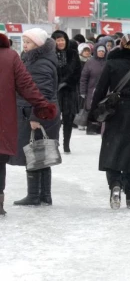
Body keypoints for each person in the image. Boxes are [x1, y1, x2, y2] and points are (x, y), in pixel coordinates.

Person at [89, 34, 130, 209]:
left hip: (116, 110)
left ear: (121, 46)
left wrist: (93, 113)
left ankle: (115, 185)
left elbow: (101, 89)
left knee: (113, 148)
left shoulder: (111, 64)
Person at [5, 29, 60, 208]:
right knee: (41, 153)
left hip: (37, 114)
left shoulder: (39, 64)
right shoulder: (38, 60)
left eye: (28, 42)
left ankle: (34, 195)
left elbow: (42, 92)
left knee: (34, 153)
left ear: (37, 44)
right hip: (41, 112)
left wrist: (36, 116)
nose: (25, 45)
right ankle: (45, 195)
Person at [51, 30, 81, 154]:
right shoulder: (50, 54)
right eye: (58, 40)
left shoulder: (73, 53)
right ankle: (55, 144)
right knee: (55, 119)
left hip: (69, 90)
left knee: (69, 118)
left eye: (62, 39)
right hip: (55, 90)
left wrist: (67, 83)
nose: (60, 42)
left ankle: (66, 144)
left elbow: (78, 71)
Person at [80, 42, 107, 135]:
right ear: (96, 51)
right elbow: (84, 78)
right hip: (92, 89)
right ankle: (91, 128)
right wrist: (82, 91)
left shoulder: (107, 62)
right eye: (99, 51)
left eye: (103, 51)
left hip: (104, 89)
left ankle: (100, 127)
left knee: (102, 108)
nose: (101, 53)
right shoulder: (90, 62)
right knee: (91, 108)